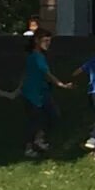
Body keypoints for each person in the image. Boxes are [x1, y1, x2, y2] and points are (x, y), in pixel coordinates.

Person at [20, 30, 72, 158]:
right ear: (37, 40)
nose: (48, 43)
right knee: (34, 121)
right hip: (33, 94)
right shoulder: (35, 56)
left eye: (50, 41)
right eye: (45, 41)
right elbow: (46, 74)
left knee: (52, 115)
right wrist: (61, 84)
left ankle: (39, 140)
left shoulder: (39, 56)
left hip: (43, 92)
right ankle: (29, 147)